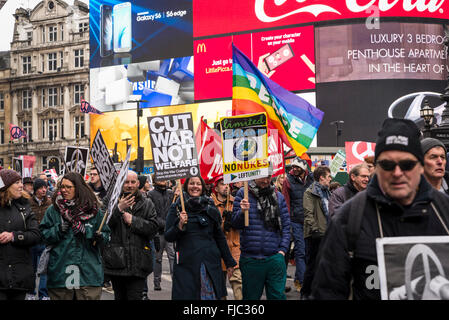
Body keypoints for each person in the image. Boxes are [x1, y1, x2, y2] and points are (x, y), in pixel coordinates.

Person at [312, 118, 449, 300]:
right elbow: (326, 292)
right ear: (376, 168)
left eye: (407, 164)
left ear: (420, 167)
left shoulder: (444, 210)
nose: (397, 172)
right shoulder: (349, 218)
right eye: (387, 164)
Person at [39, 172, 110, 300]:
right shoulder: (54, 210)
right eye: (62, 186)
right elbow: (43, 235)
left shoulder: (94, 210)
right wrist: (58, 230)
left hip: (88, 274)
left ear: (78, 188)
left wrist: (99, 237)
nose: (64, 190)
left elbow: (106, 235)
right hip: (61, 273)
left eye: (68, 187)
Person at [165, 176, 236, 300]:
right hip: (187, 264)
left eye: (198, 184)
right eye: (192, 183)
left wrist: (229, 262)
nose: (195, 186)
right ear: (186, 186)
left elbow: (219, 237)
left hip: (209, 262)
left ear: (203, 187)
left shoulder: (210, 206)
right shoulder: (177, 206)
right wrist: (180, 225)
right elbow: (168, 236)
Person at [232, 173, 291, 300]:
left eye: (269, 177)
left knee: (277, 297)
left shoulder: (278, 196)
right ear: (255, 175)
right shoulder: (243, 194)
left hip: (274, 258)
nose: (266, 180)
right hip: (250, 259)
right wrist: (242, 212)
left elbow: (286, 226)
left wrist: (282, 251)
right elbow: (235, 224)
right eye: (263, 177)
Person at [103, 170, 159, 300]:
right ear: (121, 184)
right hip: (117, 262)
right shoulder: (111, 201)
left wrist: (134, 221)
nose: (129, 185)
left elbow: (153, 228)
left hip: (138, 263)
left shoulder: (147, 203)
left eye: (133, 182)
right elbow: (103, 225)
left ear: (138, 183)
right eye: (126, 182)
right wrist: (118, 209)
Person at [0, 169, 40, 300]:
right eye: (17, 182)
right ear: (6, 186)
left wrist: (14, 236)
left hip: (20, 277)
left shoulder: (25, 207)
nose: (21, 185)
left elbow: (35, 235)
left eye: (21, 182)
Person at [282, 157, 313, 293]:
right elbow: (286, 202)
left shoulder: (312, 178)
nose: (293, 169)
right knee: (301, 251)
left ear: (304, 169)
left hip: (310, 221)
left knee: (309, 252)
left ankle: (299, 278)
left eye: (296, 167)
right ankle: (302, 281)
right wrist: (287, 222)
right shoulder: (287, 181)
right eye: (292, 167)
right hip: (295, 221)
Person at [301, 165, 332, 299]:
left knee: (325, 265)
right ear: (322, 178)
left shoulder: (327, 192)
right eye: (328, 176)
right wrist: (315, 230)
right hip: (315, 235)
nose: (330, 179)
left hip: (327, 233)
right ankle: (305, 292)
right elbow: (308, 213)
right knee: (312, 265)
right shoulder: (310, 192)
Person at [211, 175, 242, 300]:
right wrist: (223, 223)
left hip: (235, 249)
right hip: (217, 251)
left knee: (238, 282)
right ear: (216, 188)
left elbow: (243, 224)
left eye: (227, 184)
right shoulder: (210, 204)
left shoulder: (236, 202)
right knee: (219, 288)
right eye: (222, 184)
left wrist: (239, 215)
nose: (226, 187)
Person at [147, 177, 175, 292]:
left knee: (172, 256)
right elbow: (152, 214)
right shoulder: (150, 195)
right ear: (155, 181)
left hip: (170, 231)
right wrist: (165, 224)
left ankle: (176, 281)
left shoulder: (171, 194)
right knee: (158, 258)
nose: (163, 181)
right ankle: (157, 282)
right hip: (158, 232)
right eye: (160, 179)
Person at [29, 178, 52, 300]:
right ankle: (31, 293)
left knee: (44, 269)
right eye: (41, 187)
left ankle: (43, 294)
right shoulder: (28, 202)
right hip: (31, 241)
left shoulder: (50, 203)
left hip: (44, 241)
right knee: (31, 269)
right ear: (36, 189)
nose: (44, 189)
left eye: (45, 187)